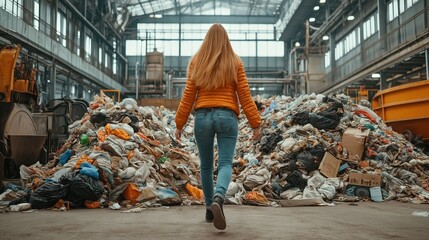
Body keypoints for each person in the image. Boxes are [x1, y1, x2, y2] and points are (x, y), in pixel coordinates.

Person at [175, 23, 262, 230]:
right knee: (224, 163)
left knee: (205, 165)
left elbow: (188, 96)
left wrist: (179, 124)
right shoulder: (235, 62)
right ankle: (219, 198)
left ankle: (208, 209)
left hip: (202, 117)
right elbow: (245, 96)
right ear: (226, 39)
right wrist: (256, 124)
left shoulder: (197, 61)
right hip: (227, 116)